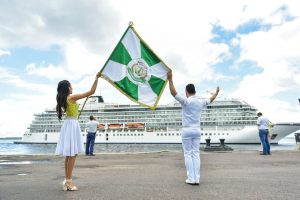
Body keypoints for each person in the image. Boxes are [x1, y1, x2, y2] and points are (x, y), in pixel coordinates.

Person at [167, 71, 219, 185]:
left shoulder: (186, 101)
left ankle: (191, 179)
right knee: (196, 153)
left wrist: (170, 80)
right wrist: (216, 93)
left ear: (186, 92)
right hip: (197, 130)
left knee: (188, 154)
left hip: (187, 130)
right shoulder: (200, 102)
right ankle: (197, 178)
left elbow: (173, 93)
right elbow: (211, 99)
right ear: (195, 91)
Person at [55, 72, 101, 191]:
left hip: (69, 124)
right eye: (70, 86)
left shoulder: (65, 99)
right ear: (67, 88)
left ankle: (66, 179)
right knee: (73, 154)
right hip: (72, 125)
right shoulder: (71, 97)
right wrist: (96, 79)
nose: (72, 88)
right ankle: (69, 181)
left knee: (68, 155)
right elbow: (91, 92)